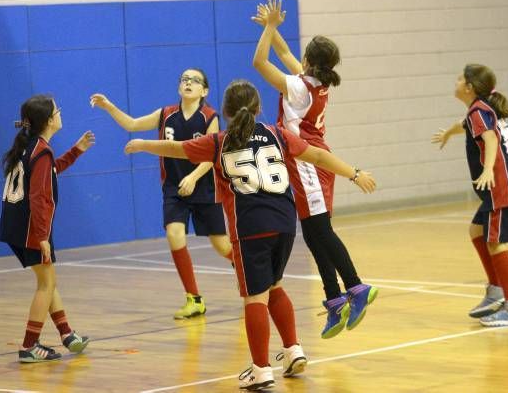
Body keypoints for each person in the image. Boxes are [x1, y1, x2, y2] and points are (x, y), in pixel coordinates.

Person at [125, 79, 376, 389]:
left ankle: (260, 370)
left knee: (254, 297)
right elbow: (320, 157)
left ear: (227, 112)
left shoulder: (218, 141)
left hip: (250, 228)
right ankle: (293, 349)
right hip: (285, 223)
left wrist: (142, 145)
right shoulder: (277, 135)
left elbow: (176, 149)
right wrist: (354, 173)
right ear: (258, 108)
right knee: (274, 286)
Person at [251, 0, 378, 339]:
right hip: (308, 161)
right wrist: (270, 28)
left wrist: (271, 28)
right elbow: (283, 56)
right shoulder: (311, 82)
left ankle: (355, 286)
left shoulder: (298, 86)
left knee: (320, 231)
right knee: (312, 233)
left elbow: (259, 61)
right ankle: (334, 299)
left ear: (309, 60)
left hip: (310, 164)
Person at [90, 68, 231, 320]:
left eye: (195, 81)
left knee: (221, 245)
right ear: (179, 87)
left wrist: (193, 176)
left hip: (204, 187)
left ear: (204, 91)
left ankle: (249, 274)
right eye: (184, 79)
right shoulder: (166, 114)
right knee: (174, 234)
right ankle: (194, 299)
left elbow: (213, 154)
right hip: (174, 189)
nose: (188, 83)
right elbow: (132, 124)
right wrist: (109, 106)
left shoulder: (210, 116)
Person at [432, 65, 508, 327]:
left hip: (502, 185)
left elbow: (490, 139)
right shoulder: (481, 107)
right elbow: (464, 125)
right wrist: (448, 133)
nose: (455, 82)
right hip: (506, 183)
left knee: (495, 242)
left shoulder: (479, 111)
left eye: (458, 78)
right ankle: (496, 290)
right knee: (477, 231)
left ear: (469, 87)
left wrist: (488, 170)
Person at [0, 95, 94, 363]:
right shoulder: (41, 150)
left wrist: (76, 150)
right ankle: (30, 346)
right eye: (58, 110)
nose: (61, 113)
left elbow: (49, 172)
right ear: (50, 121)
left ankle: (67, 335)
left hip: (15, 225)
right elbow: (40, 197)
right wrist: (42, 237)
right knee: (47, 282)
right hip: (30, 227)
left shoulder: (32, 146)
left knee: (47, 281)